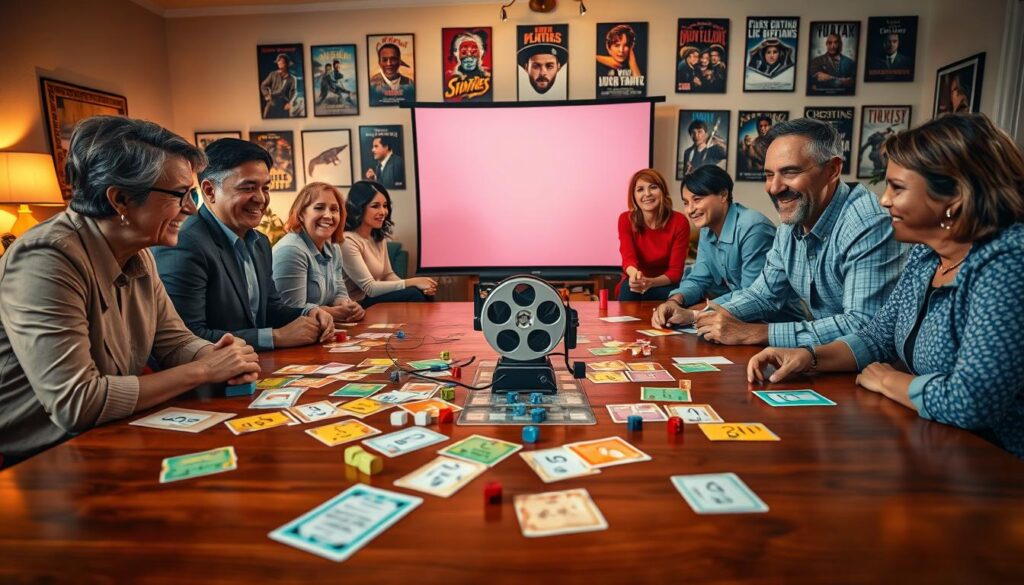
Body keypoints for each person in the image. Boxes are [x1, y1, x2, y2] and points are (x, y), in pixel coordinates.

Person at [748, 113, 1024, 459]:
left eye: (898, 188)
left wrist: (889, 381)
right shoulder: (927, 255)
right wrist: (809, 357)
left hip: (1000, 465)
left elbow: (971, 401)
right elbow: (877, 336)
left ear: (953, 197)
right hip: (935, 444)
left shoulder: (1008, 262)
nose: (884, 200)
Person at [0, 116, 260, 464]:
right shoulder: (45, 258)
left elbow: (176, 342)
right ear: (121, 199)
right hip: (42, 461)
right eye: (181, 194)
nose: (190, 208)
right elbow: (78, 402)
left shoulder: (138, 252)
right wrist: (205, 370)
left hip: (111, 436)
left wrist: (219, 356)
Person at [692, 118, 905, 347]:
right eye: (769, 175)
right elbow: (763, 294)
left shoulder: (867, 223)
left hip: (873, 369)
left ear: (832, 170)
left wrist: (755, 333)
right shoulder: (793, 220)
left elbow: (863, 326)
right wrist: (703, 316)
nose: (774, 188)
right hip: (823, 359)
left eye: (790, 172)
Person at [154, 138, 334, 352]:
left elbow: (271, 308)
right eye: (248, 188)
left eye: (265, 188)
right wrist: (275, 337)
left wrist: (308, 313)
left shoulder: (260, 242)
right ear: (210, 191)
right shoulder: (184, 243)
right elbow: (187, 338)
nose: (260, 198)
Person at [652, 166, 802, 328]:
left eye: (697, 199)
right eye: (686, 203)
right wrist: (675, 301)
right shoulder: (707, 228)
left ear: (723, 195)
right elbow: (699, 279)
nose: (690, 210)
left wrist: (695, 313)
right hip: (735, 320)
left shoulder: (753, 227)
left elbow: (752, 296)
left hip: (777, 324)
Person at [273, 182, 366, 325]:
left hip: (321, 330)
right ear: (301, 214)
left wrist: (348, 307)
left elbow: (339, 293)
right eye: (319, 208)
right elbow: (292, 312)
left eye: (334, 209)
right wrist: (335, 313)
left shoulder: (334, 248)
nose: (328, 215)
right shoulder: (291, 250)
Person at [341, 181, 436, 307]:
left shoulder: (377, 238)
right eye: (375, 206)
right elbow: (370, 288)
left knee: (422, 293)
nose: (383, 212)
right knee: (414, 294)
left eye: (385, 206)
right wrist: (411, 282)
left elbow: (388, 275)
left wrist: (418, 286)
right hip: (357, 304)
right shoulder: (347, 241)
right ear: (359, 208)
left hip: (372, 298)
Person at [617, 169, 690, 301]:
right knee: (628, 290)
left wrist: (650, 282)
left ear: (662, 191)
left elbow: (675, 272)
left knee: (676, 298)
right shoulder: (625, 220)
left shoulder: (680, 221)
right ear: (633, 196)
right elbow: (628, 259)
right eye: (640, 189)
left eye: (653, 187)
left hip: (665, 283)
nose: (647, 194)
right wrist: (636, 277)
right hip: (636, 283)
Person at [260, 53, 297, 118]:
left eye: (282, 61)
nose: (279, 63)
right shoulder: (273, 74)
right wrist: (266, 95)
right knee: (266, 119)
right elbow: (263, 85)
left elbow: (293, 92)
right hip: (272, 102)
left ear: (287, 64)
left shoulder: (292, 78)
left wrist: (290, 103)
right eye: (278, 61)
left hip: (283, 104)